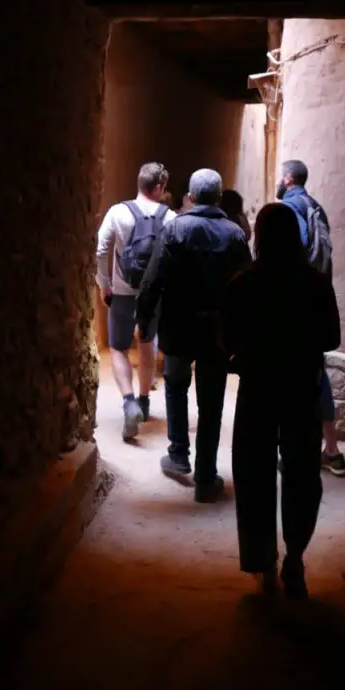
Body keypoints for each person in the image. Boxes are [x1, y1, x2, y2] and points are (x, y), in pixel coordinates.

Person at [220, 202, 341, 599]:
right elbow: (331, 338)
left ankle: (263, 563)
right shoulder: (315, 282)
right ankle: (295, 559)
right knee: (303, 473)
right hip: (301, 387)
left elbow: (228, 340)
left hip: (257, 388)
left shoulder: (243, 283)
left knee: (254, 474)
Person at [137, 168, 251, 502]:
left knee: (175, 386)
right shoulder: (234, 235)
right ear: (218, 197)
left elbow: (153, 278)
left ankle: (177, 454)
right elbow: (245, 285)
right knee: (212, 400)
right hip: (217, 331)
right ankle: (204, 475)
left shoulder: (174, 229)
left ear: (190, 195)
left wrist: (144, 318)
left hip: (178, 325)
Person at [276, 159, 345, 476]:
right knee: (317, 373)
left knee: (287, 376)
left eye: (282, 175)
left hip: (294, 302)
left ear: (288, 178)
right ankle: (331, 450)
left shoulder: (291, 207)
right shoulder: (316, 206)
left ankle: (294, 454)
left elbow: (299, 244)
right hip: (316, 299)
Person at [96, 162, 176, 440]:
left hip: (122, 291)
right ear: (158, 188)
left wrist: (104, 284)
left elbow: (101, 248)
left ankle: (129, 401)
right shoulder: (170, 217)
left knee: (118, 347)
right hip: (152, 296)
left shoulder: (118, 212)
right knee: (146, 341)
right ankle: (144, 400)